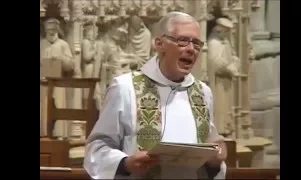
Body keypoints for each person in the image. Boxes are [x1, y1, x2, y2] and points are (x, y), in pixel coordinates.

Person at [83, 12, 227, 179]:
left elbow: (212, 148)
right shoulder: (125, 88)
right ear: (159, 44)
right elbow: (96, 149)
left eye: (196, 43)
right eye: (182, 41)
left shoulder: (203, 92)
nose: (191, 49)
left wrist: (216, 161)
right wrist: (125, 163)